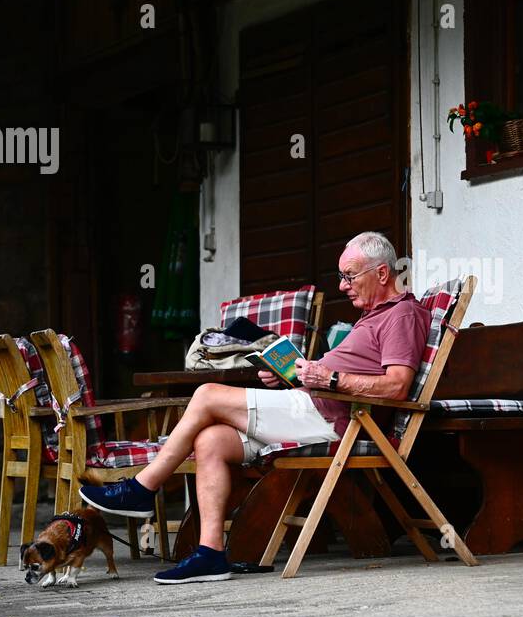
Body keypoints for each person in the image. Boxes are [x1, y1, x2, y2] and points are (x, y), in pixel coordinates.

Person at [79, 231, 429, 584]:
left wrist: (330, 379)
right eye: (342, 277)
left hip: (335, 420)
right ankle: (211, 554)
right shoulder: (373, 315)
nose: (342, 286)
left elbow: (397, 385)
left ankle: (143, 488)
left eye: (349, 276)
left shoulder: (402, 315)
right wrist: (291, 376)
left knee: (207, 395)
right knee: (212, 440)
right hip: (312, 407)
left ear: (382, 274)